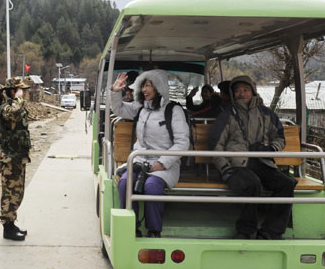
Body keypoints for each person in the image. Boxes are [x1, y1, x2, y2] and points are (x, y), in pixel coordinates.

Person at [209, 75, 297, 240]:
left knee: (287, 183)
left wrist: (270, 149)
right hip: (237, 164)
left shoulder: (266, 114)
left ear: (253, 91)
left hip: (261, 161)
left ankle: (271, 230)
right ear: (233, 94)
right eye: (237, 91)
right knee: (252, 183)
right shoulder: (228, 115)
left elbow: (279, 137)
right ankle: (245, 230)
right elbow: (215, 144)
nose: (241, 94)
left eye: (245, 90)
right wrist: (224, 168)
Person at [111, 70, 190, 238]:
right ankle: (131, 227)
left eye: (148, 85)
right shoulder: (140, 108)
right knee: (125, 183)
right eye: (142, 86)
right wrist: (115, 92)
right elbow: (118, 109)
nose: (144, 90)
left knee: (152, 186)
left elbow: (182, 142)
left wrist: (162, 162)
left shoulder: (173, 111)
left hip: (165, 163)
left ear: (159, 87)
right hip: (140, 159)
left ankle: (154, 230)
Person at [0, 77, 32, 241]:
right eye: (19, 90)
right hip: (10, 159)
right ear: (12, 91)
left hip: (18, 157)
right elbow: (15, 114)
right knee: (9, 194)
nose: (23, 93)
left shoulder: (15, 106)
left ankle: (12, 223)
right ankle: (7, 228)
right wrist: (18, 99)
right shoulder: (6, 108)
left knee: (17, 193)